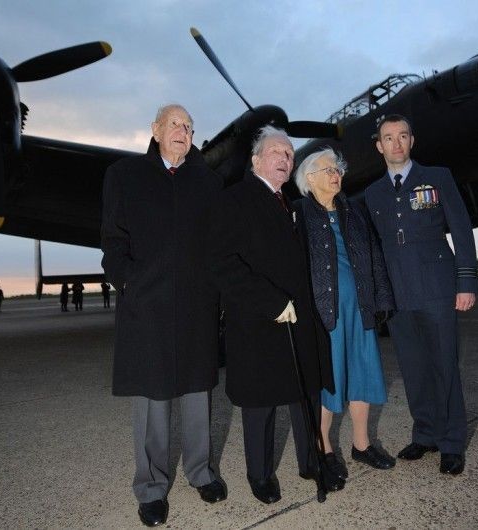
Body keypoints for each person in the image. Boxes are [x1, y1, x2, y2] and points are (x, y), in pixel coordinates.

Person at [101, 104, 225, 527]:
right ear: (155, 130)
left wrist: (216, 292)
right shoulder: (124, 175)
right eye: (174, 123)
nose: (182, 130)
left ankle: (201, 472)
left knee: (197, 393)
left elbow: (219, 243)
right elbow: (112, 240)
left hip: (196, 305)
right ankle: (151, 488)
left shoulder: (207, 181)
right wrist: (128, 283)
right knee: (152, 399)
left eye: (189, 126)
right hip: (147, 304)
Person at [209, 126, 342, 505]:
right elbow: (221, 263)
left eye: (289, 153)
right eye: (276, 152)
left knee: (305, 396)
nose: (285, 158)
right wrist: (271, 302)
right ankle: (260, 474)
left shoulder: (292, 204)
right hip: (259, 321)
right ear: (255, 160)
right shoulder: (233, 200)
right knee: (261, 406)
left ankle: (311, 462)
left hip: (299, 321)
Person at [364, 114, 478, 476]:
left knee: (445, 365)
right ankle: (425, 434)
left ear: (412, 141)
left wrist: (466, 282)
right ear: (379, 146)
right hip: (398, 295)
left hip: (437, 289)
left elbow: (461, 230)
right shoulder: (373, 193)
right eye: (388, 137)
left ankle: (452, 442)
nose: (396, 143)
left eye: (403, 136)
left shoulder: (438, 177)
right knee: (413, 369)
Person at [293, 148, 397, 481]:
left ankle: (362, 445)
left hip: (361, 308)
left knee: (363, 374)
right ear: (310, 179)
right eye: (328, 170)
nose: (336, 174)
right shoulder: (298, 214)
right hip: (325, 312)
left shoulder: (354, 211)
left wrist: (382, 298)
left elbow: (375, 255)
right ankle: (323, 448)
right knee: (330, 380)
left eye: (337, 169)